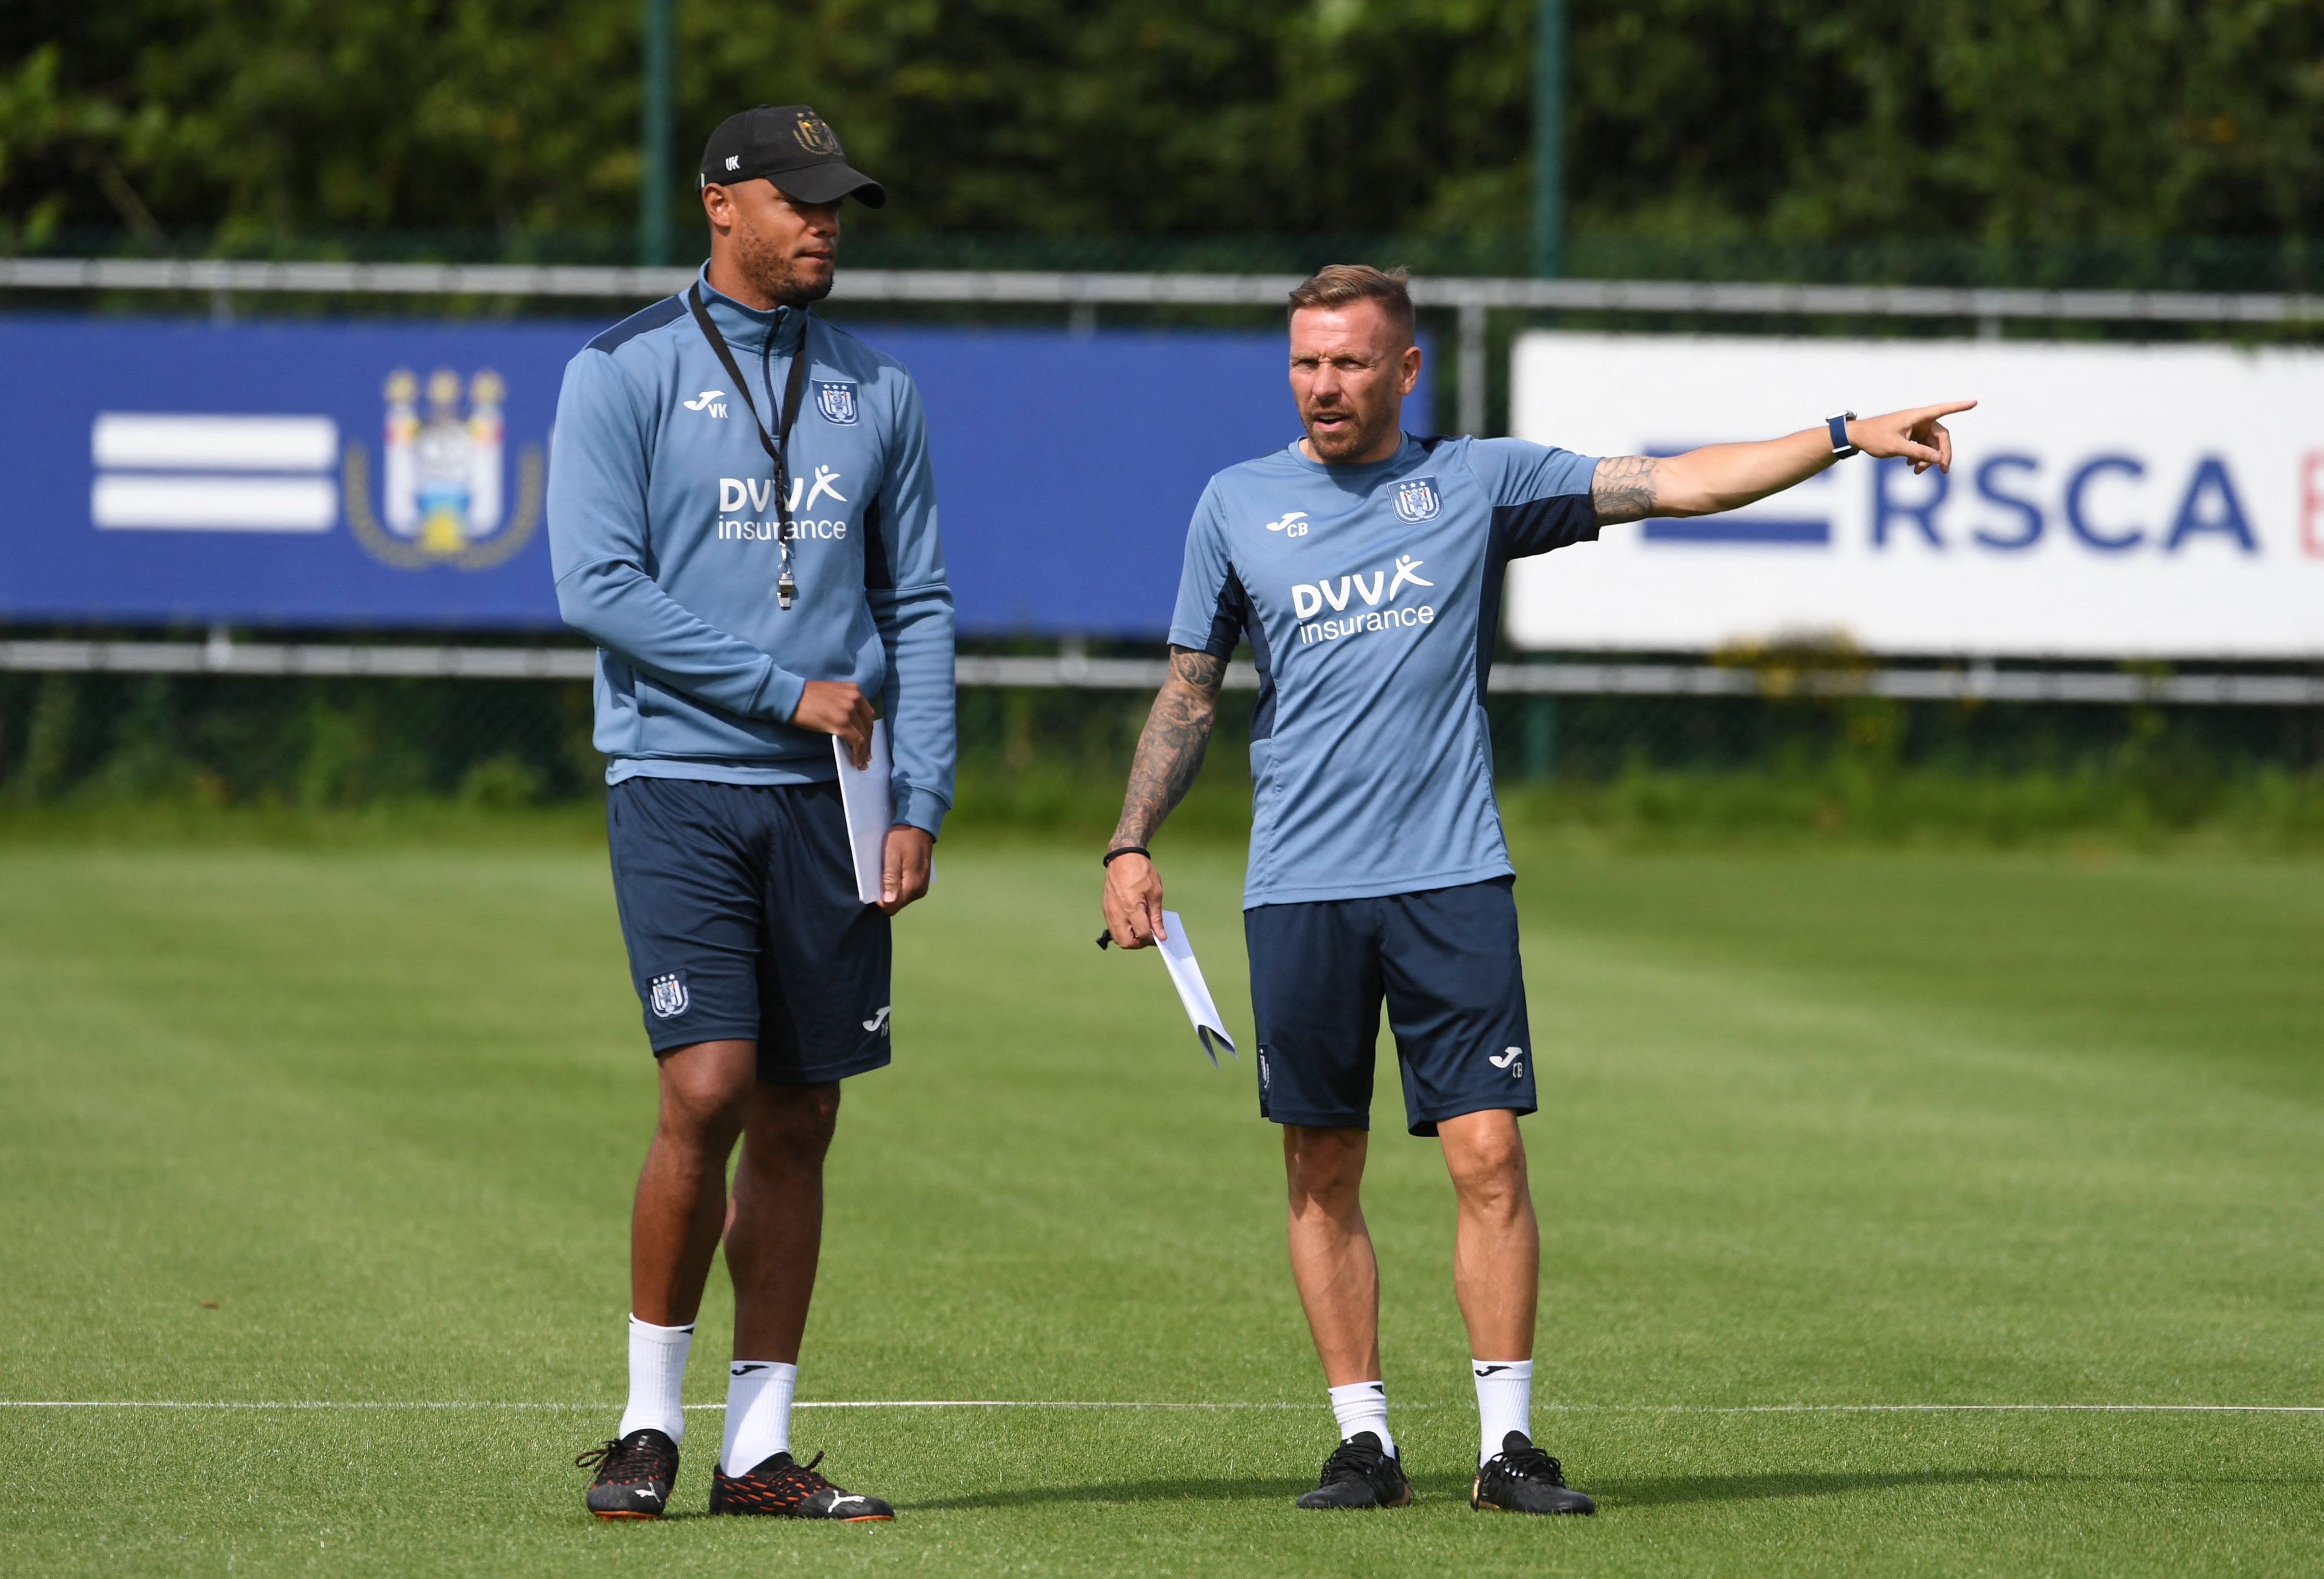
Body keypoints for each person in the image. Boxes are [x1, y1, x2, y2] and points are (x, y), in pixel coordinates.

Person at [1101, 263, 1969, 1516]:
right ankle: (1363, 1443)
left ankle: (1506, 1449)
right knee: (1319, 1161)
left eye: (1349, 362)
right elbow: (1188, 690)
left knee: (1489, 1158)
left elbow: (1680, 482)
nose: (1323, 384)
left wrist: (1840, 436)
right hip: (1300, 886)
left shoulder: (1478, 482)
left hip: (1451, 875)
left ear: (1406, 370)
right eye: (1304, 361)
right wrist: (1130, 841)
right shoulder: (1235, 504)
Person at [549, 104, 955, 1523]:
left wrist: (921, 791)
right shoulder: (620, 373)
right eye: (800, 199)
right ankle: (646, 1424)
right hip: (679, 782)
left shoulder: (876, 387)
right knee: (707, 1088)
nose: (825, 221)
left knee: (800, 1117)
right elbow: (595, 587)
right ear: (722, 204)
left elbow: (919, 602)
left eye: (839, 200)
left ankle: (755, 1451)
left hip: (837, 804)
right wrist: (782, 692)